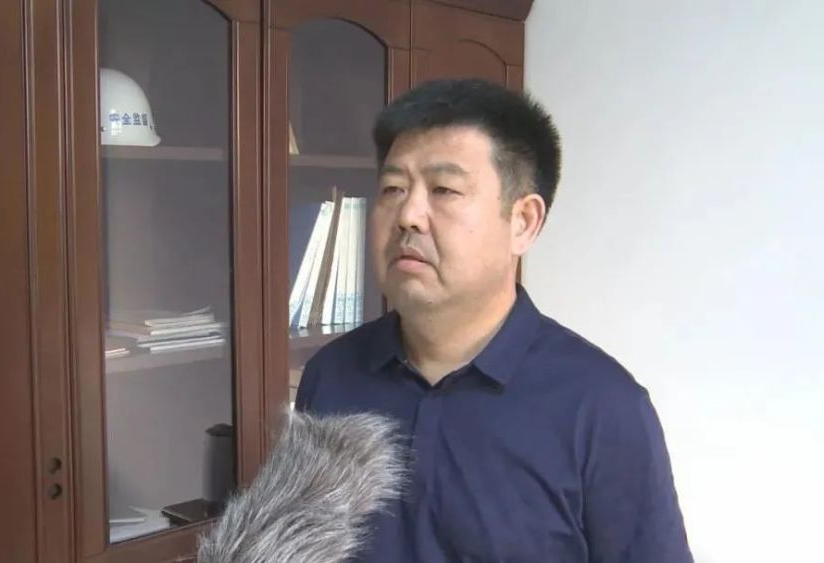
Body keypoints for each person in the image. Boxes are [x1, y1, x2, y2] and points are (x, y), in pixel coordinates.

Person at [294, 78, 692, 562]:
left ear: (523, 222)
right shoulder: (331, 376)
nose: (408, 215)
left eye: (444, 189)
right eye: (393, 188)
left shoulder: (602, 408)